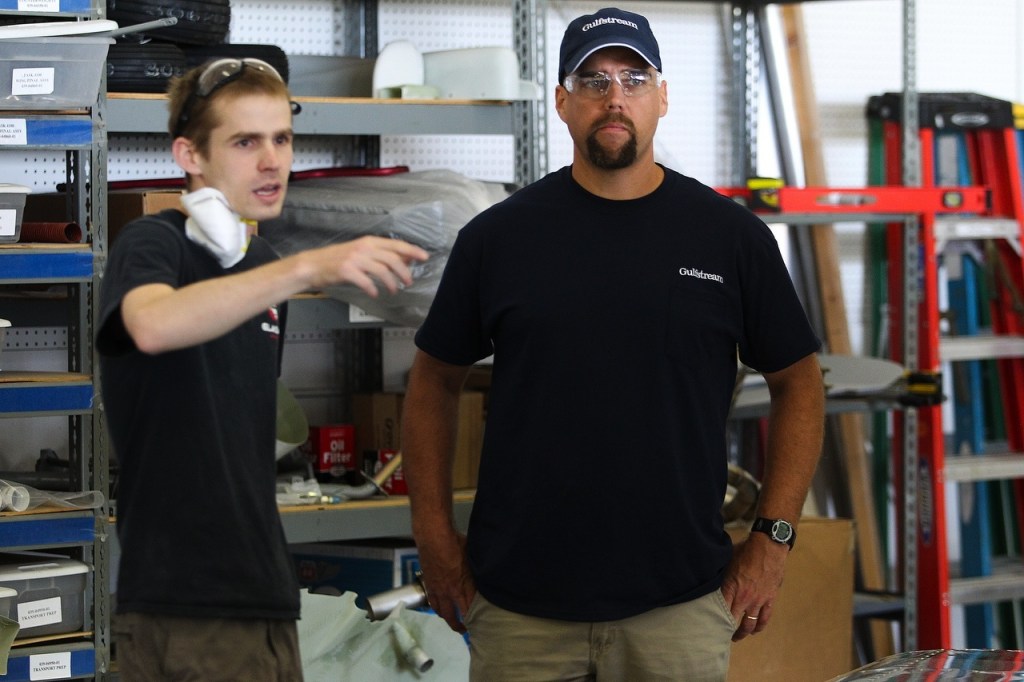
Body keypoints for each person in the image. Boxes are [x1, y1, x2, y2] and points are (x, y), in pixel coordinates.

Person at [400, 7, 826, 680]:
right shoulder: (499, 239)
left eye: (633, 77)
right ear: (564, 103)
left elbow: (799, 384)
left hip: (679, 607)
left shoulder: (730, 238)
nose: (615, 96)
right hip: (518, 611)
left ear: (662, 97)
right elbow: (433, 382)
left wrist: (772, 540)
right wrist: (433, 535)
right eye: (593, 80)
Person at [96, 58, 428, 681]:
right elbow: (152, 324)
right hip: (186, 605)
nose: (273, 160)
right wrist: (305, 269)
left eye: (282, 139)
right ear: (189, 154)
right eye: (246, 142)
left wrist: (277, 271)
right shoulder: (155, 245)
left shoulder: (263, 262)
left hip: (268, 596)